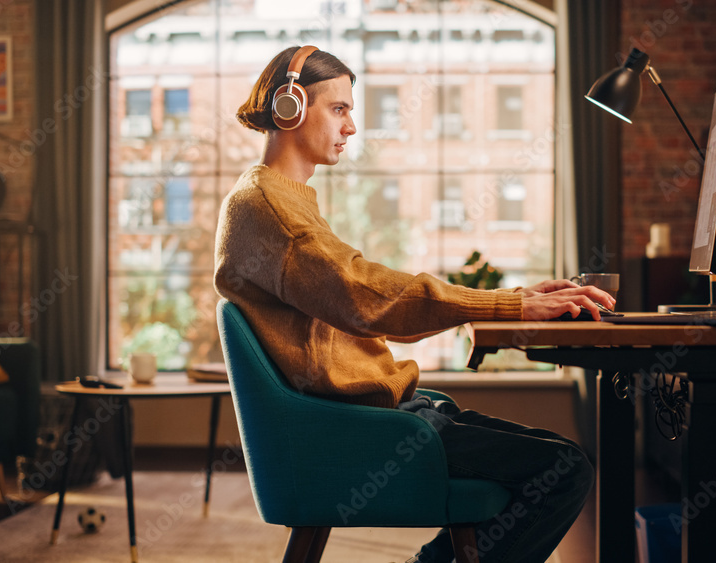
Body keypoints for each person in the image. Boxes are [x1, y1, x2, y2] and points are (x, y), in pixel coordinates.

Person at [214, 45, 615, 563]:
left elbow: (380, 315)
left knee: (558, 462)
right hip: (367, 430)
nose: (351, 126)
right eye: (339, 109)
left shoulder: (282, 200)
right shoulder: (269, 208)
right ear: (290, 107)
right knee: (566, 470)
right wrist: (507, 305)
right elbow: (365, 298)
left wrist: (507, 302)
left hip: (383, 417)